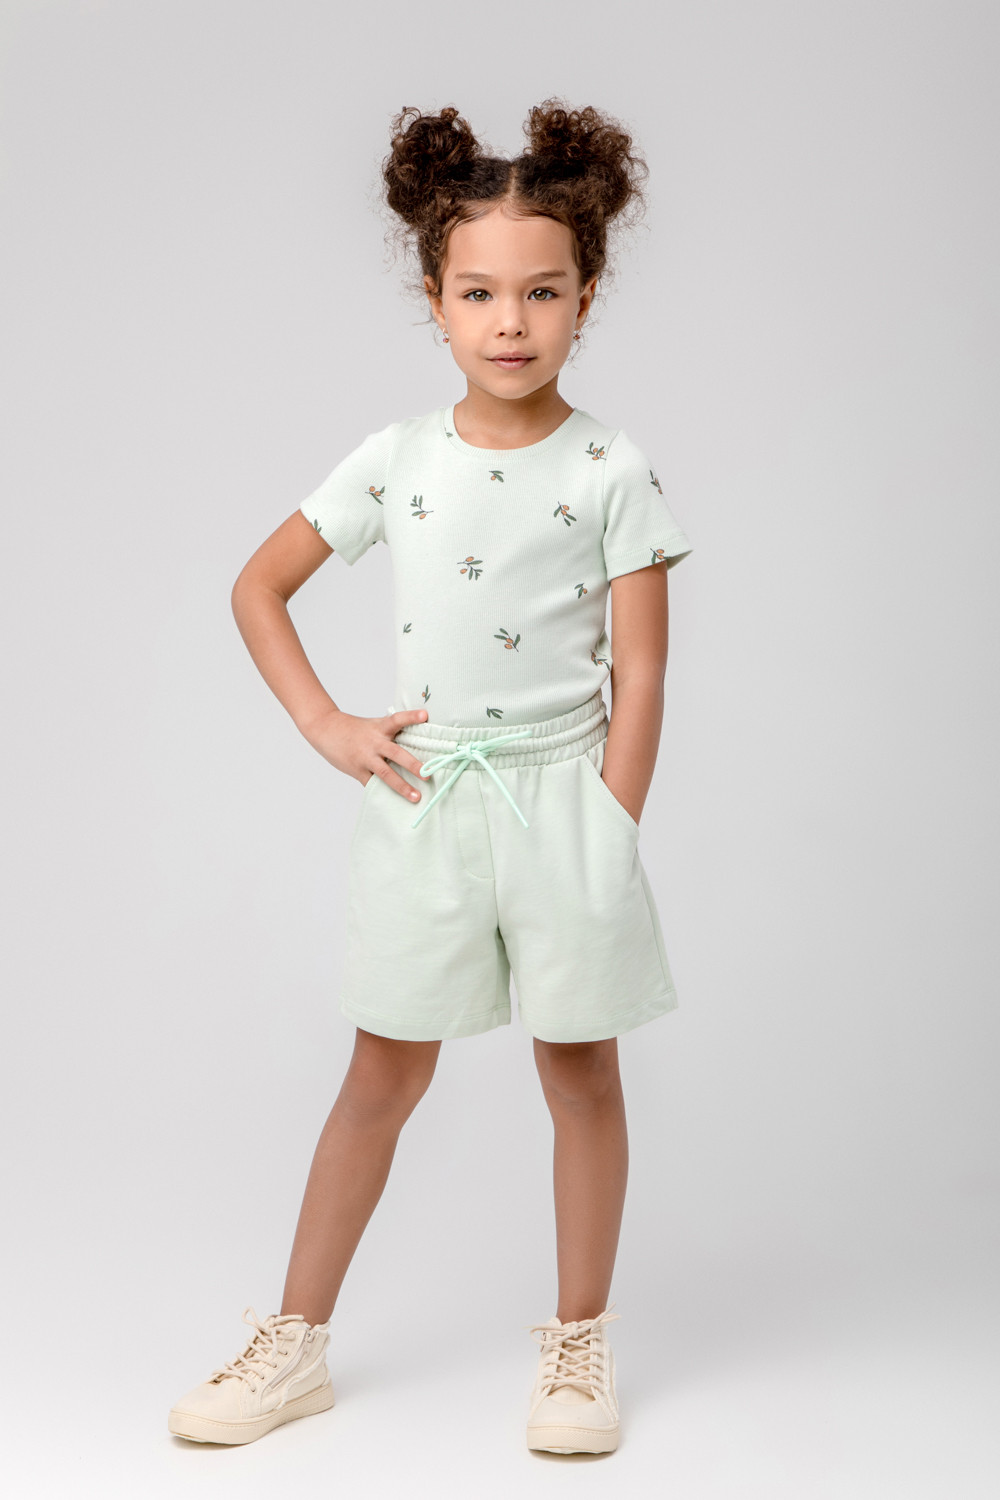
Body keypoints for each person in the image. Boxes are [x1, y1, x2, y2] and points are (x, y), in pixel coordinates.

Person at [168, 98, 693, 1458]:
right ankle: (296, 1342)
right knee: (380, 1075)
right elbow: (258, 586)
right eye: (479, 293)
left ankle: (578, 1346)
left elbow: (642, 670)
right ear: (435, 299)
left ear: (586, 296)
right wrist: (326, 724)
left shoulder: (612, 467)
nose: (510, 321)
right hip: (427, 802)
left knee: (580, 1073)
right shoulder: (395, 460)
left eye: (542, 291)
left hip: (565, 802)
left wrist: (612, 815)